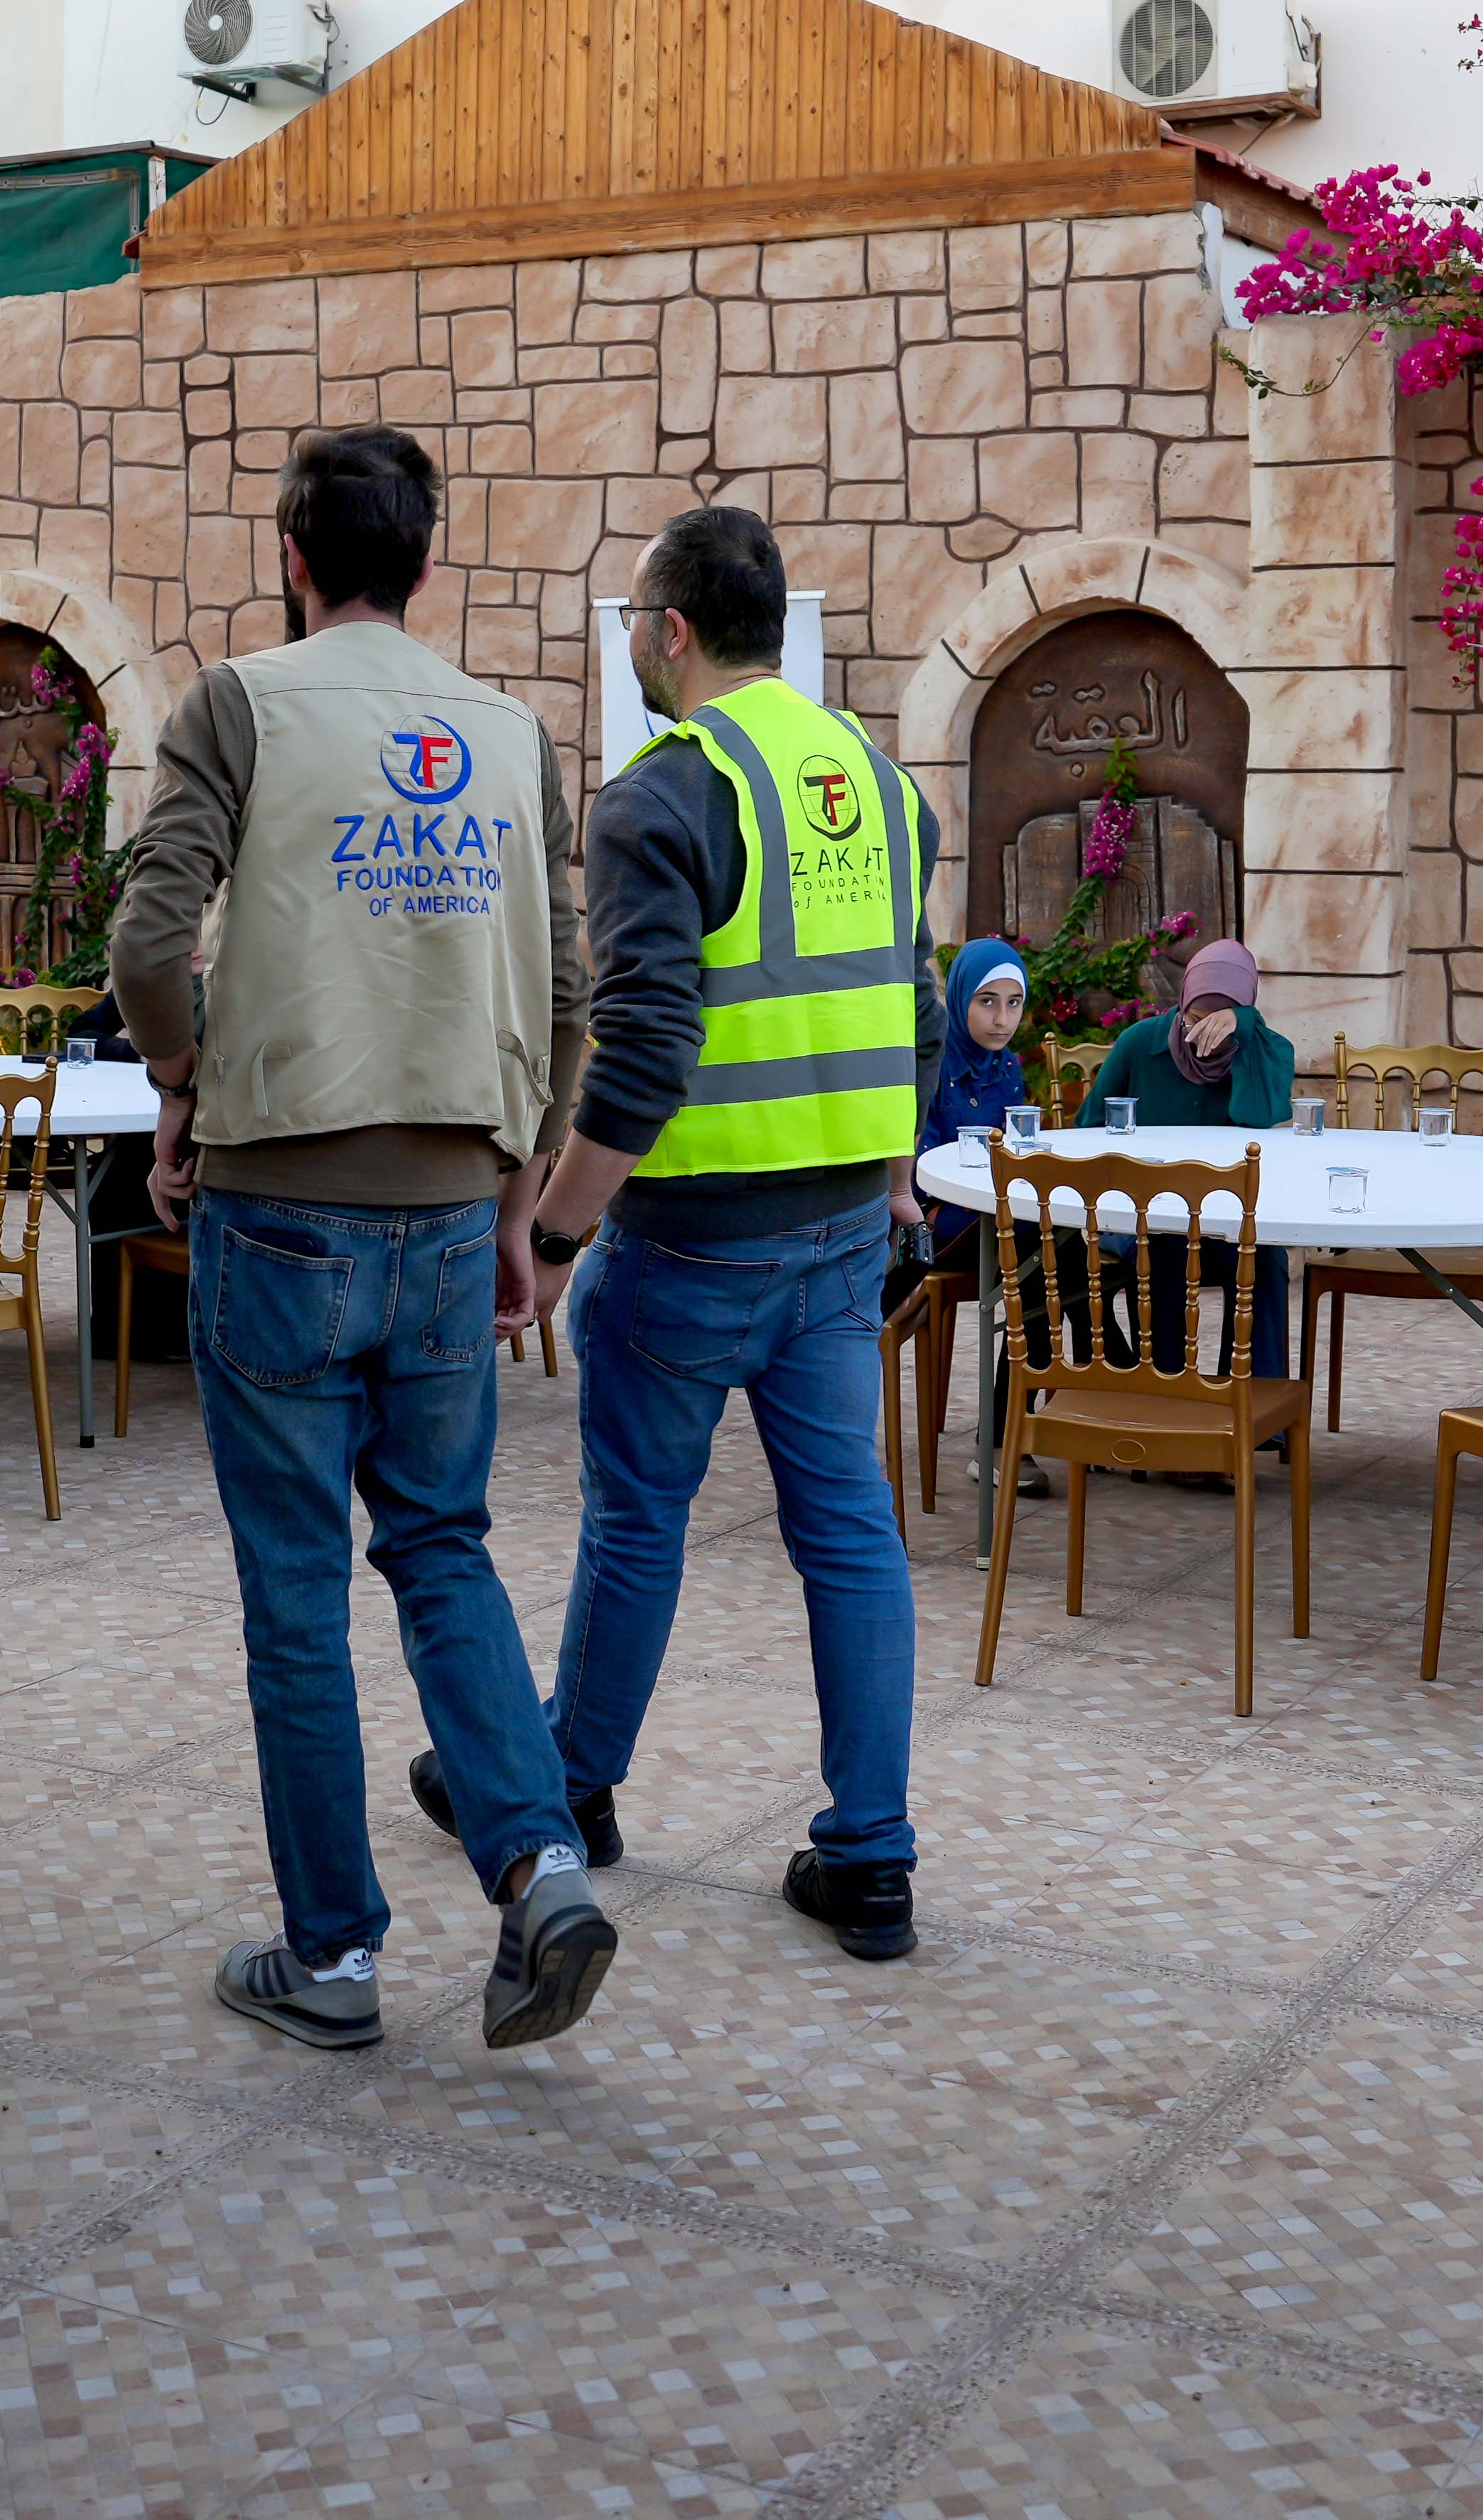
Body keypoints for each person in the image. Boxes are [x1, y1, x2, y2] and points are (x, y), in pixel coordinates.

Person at [112, 427, 617, 2055]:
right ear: (425, 560)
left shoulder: (237, 704)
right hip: (449, 1210)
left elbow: (143, 941)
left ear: (293, 555)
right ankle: (539, 1864)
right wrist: (521, 1202)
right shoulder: (510, 734)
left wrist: (183, 1081)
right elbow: (563, 988)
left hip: (276, 1209)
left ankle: (332, 1955)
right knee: (443, 1543)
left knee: (293, 1591)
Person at [488, 504, 940, 1967]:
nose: (629, 642)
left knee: (637, 1519)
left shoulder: (656, 797)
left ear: (671, 631)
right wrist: (893, 1171)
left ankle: (574, 1787)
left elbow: (644, 1048)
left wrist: (554, 1238)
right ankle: (872, 1857)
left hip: (687, 1244)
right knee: (852, 1539)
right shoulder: (878, 782)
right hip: (835, 1235)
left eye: (632, 617)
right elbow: (910, 996)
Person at [1077, 936, 1299, 1377]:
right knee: (1166, 1245)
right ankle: (1170, 1390)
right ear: (1181, 1005)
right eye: (1195, 1019)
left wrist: (1246, 1031)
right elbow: (1086, 1132)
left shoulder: (1264, 1051)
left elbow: (1262, 1115)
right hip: (1141, 1217)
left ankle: (1253, 1403)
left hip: (1224, 1224)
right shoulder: (1140, 1043)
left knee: (1266, 1259)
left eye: (1219, 1025)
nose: (1202, 1037)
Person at [883, 939, 1031, 1488]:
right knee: (1043, 1258)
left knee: (1048, 1263)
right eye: (988, 1001)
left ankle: (1012, 1429)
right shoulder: (934, 1058)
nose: (1002, 1018)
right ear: (961, 996)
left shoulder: (1008, 1067)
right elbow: (919, 1164)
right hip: (934, 1219)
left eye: (1014, 1003)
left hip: (997, 1218)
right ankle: (1003, 1437)